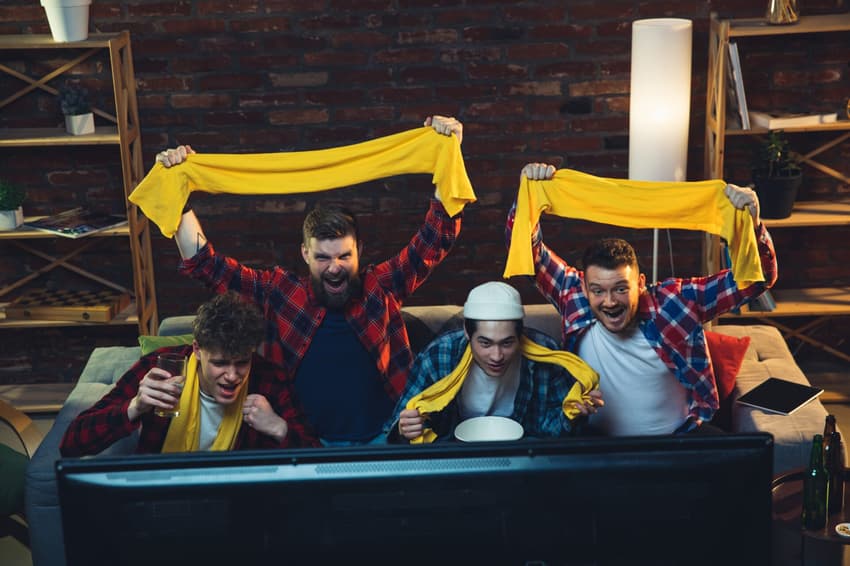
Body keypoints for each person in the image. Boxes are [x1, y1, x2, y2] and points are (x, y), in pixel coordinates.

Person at [154, 115, 464, 445]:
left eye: (344, 256)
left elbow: (435, 237)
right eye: (323, 258)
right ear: (305, 254)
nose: (334, 268)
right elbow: (207, 266)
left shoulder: (380, 286)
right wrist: (179, 191)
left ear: (359, 251)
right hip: (304, 443)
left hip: (384, 438)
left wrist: (450, 150)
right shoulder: (280, 292)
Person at [506, 162, 779, 435]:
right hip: (594, 444)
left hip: (675, 441)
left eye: (621, 289)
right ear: (586, 288)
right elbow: (526, 251)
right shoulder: (573, 293)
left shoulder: (675, 302)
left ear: (640, 284)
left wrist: (752, 224)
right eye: (598, 290)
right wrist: (528, 194)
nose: (610, 301)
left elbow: (754, 282)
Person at [60, 292, 319, 456]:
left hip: (237, 505)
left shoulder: (268, 379)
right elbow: (72, 443)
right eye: (219, 363)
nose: (232, 376)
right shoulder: (162, 370)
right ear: (196, 349)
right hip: (162, 496)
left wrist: (279, 427)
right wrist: (135, 407)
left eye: (241, 362)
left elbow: (316, 460)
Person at [390, 281, 602, 443]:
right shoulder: (438, 356)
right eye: (485, 343)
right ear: (466, 332)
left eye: (507, 342)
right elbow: (401, 422)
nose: (497, 356)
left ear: (521, 335)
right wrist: (405, 428)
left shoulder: (547, 355)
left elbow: (551, 430)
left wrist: (574, 415)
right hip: (455, 454)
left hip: (520, 453)